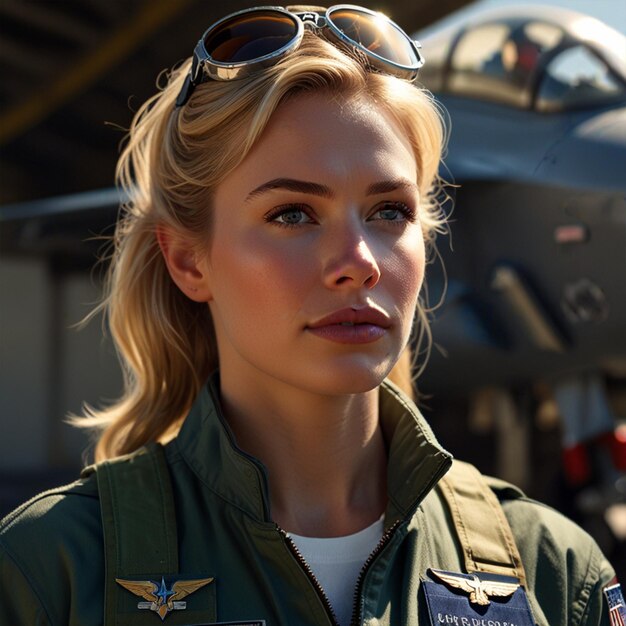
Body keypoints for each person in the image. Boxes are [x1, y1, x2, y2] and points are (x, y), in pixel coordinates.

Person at [0, 5, 620, 626]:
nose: (359, 263)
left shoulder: (558, 575)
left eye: (389, 212)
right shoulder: (51, 575)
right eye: (292, 214)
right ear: (189, 261)